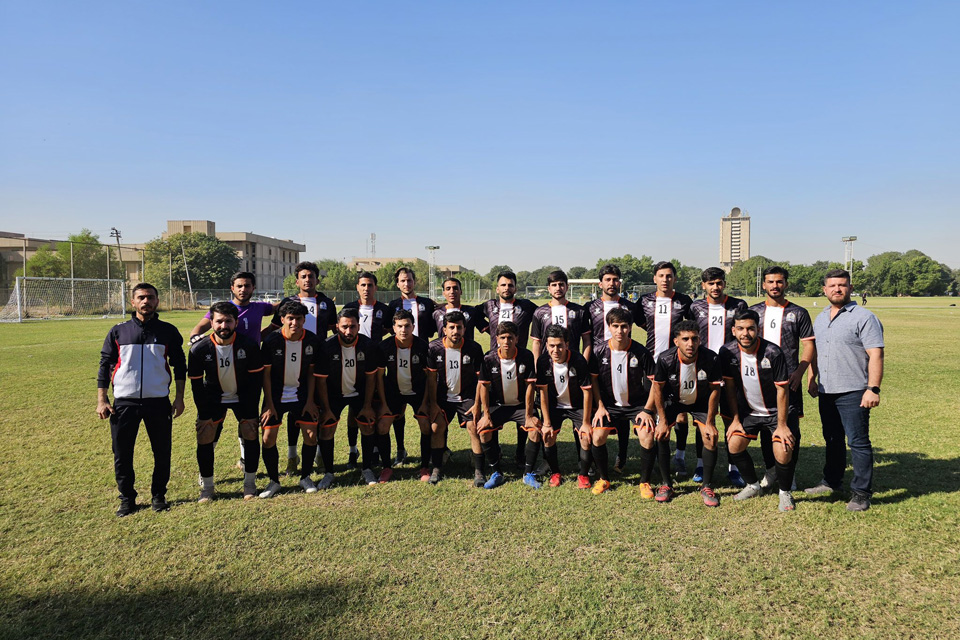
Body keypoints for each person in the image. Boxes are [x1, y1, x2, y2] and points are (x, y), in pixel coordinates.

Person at [96, 283, 186, 517]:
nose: (146, 301)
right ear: (133, 301)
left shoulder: (168, 331)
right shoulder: (119, 331)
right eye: (141, 297)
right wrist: (102, 400)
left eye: (151, 297)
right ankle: (127, 498)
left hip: (158, 402)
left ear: (157, 301)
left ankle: (159, 496)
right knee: (122, 453)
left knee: (162, 451)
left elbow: (180, 365)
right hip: (124, 403)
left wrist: (179, 398)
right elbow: (105, 365)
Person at [806, 269, 884, 511]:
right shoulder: (820, 317)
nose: (837, 289)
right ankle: (831, 481)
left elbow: (876, 354)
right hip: (826, 390)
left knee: (858, 442)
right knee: (832, 439)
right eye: (832, 286)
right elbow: (815, 351)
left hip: (853, 390)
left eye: (842, 285)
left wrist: (873, 388)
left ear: (850, 288)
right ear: (824, 289)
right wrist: (812, 377)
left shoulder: (864, 317)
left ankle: (861, 493)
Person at [188, 271, 277, 473]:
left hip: (248, 370)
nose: (243, 289)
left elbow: (279, 309)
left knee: (247, 421)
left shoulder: (259, 307)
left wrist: (263, 335)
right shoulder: (223, 310)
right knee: (213, 424)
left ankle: (245, 460)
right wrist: (195, 338)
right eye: (239, 286)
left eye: (247, 286)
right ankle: (206, 469)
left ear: (253, 288)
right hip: (221, 370)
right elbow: (199, 328)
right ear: (232, 288)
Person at [719, 309, 799, 512]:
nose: (745, 333)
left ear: (758, 329)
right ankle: (753, 486)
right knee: (734, 444)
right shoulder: (727, 352)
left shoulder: (773, 352)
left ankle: (784, 492)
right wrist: (735, 420)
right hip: (750, 413)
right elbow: (730, 388)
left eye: (750, 328)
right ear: (733, 330)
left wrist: (782, 425)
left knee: (783, 449)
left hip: (775, 413)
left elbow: (782, 390)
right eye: (740, 329)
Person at [188, 302, 264, 502]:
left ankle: (249, 484)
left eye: (228, 321)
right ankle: (207, 488)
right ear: (211, 323)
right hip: (213, 397)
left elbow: (256, 383)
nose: (224, 326)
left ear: (236, 323)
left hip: (243, 396)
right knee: (205, 435)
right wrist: (204, 413)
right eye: (219, 321)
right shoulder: (199, 349)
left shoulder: (249, 346)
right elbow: (196, 385)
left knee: (250, 431)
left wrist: (251, 412)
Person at [267, 261, 337, 478]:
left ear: (317, 279)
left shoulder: (327, 303)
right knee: (292, 413)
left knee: (315, 410)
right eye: (303, 276)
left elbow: (335, 331)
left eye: (311, 276)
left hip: (316, 365)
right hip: (289, 365)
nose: (308, 280)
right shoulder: (288, 302)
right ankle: (292, 456)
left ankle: (319, 455)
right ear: (297, 281)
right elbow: (274, 328)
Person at [749, 266, 816, 491]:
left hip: (789, 380)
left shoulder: (799, 312)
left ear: (786, 284)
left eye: (779, 281)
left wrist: (800, 372)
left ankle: (789, 473)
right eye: (770, 282)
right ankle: (771, 470)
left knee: (791, 428)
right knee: (766, 428)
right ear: (763, 285)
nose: (775, 286)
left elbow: (809, 345)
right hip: (761, 381)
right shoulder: (754, 312)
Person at [647, 320, 723, 506]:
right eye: (685, 339)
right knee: (662, 434)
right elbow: (658, 389)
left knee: (710, 437)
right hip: (673, 401)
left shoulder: (711, 358)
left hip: (700, 401)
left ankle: (706, 486)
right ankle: (666, 484)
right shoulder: (665, 359)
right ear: (676, 341)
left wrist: (710, 422)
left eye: (694, 339)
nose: (691, 344)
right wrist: (662, 421)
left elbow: (715, 390)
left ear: (699, 340)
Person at [690, 266, 748, 486]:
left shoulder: (738, 305)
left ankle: (734, 468)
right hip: (704, 370)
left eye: (719, 282)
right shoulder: (695, 307)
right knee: (704, 419)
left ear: (724, 283)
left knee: (731, 417)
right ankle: (700, 464)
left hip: (731, 369)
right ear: (703, 285)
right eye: (711, 283)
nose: (715, 287)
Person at [588, 307, 656, 495]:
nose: (620, 331)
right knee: (598, 436)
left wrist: (647, 410)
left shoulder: (641, 352)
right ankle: (603, 479)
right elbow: (593, 380)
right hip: (609, 405)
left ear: (630, 327)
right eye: (615, 326)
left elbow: (655, 382)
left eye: (624, 326)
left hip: (637, 406)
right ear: (609, 327)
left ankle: (645, 482)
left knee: (647, 436)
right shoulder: (599, 351)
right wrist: (600, 406)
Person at [637, 261, 695, 478]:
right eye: (661, 276)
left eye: (669, 276)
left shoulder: (684, 301)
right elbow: (640, 321)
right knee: (653, 410)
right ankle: (655, 456)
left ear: (674, 278)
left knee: (680, 413)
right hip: (651, 364)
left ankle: (679, 456)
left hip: (678, 364)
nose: (665, 279)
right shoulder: (645, 301)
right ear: (655, 279)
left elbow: (691, 326)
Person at [258, 301, 321, 497]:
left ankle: (305, 477)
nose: (294, 323)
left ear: (304, 320)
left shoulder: (312, 340)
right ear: (282, 319)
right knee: (268, 438)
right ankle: (274, 481)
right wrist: (269, 404)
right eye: (290, 319)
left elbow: (311, 373)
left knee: (311, 435)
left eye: (299, 319)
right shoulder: (272, 340)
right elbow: (266, 375)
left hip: (301, 395)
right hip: (276, 396)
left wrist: (310, 401)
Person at [479, 270, 539, 471]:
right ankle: (495, 451)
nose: (507, 288)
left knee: (522, 402)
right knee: (495, 403)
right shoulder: (489, 305)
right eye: (503, 285)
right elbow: (472, 314)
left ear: (516, 288)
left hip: (520, 363)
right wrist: (484, 327)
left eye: (510, 285)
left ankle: (521, 453)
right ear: (497, 288)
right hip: (495, 364)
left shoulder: (526, 306)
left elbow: (542, 314)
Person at [314, 307, 379, 487]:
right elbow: (321, 381)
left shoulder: (367, 345)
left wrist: (367, 406)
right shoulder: (326, 347)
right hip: (334, 394)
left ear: (358, 326)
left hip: (359, 393)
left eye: (352, 326)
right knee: (326, 430)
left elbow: (371, 378)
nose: (348, 331)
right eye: (344, 327)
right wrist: (326, 409)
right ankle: (329, 473)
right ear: (337, 327)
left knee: (367, 426)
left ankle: (367, 468)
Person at [476, 321, 539, 489]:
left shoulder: (526, 356)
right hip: (498, 405)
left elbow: (530, 386)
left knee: (535, 430)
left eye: (510, 337)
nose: (506, 341)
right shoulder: (489, 358)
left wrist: (529, 415)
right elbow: (483, 387)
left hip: (520, 406)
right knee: (484, 432)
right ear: (497, 339)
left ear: (517, 339)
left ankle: (528, 474)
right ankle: (496, 473)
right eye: (503, 337)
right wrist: (486, 415)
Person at [426, 311, 486, 486]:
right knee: (436, 427)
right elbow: (431, 379)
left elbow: (480, 381)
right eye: (451, 327)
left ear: (464, 329)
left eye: (459, 327)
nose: (455, 331)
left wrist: (477, 404)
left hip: (467, 397)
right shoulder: (434, 348)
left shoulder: (474, 348)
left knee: (474, 427)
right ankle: (437, 468)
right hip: (443, 398)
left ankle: (479, 471)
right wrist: (433, 404)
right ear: (444, 329)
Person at [373, 310, 433, 483]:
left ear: (413, 327)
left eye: (407, 326)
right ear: (393, 328)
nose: (403, 330)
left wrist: (424, 403)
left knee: (426, 425)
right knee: (383, 426)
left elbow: (429, 377)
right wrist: (383, 403)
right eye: (399, 326)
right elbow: (379, 377)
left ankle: (424, 466)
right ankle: (386, 467)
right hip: (394, 392)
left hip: (418, 392)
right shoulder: (384, 347)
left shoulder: (422, 346)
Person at [342, 272, 394, 469]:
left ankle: (374, 450)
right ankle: (353, 449)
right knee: (353, 408)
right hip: (352, 364)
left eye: (370, 285)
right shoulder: (349, 308)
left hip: (375, 363)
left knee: (374, 405)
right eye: (363, 285)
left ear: (375, 287)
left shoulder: (383, 309)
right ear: (357, 287)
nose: (366, 288)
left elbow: (389, 329)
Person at [387, 267, 437, 466]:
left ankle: (436, 449)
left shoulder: (426, 303)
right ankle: (400, 449)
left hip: (421, 360)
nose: (406, 284)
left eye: (409, 280)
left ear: (414, 282)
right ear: (397, 284)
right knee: (397, 411)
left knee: (426, 409)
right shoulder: (393, 305)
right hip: (399, 360)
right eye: (402, 280)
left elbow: (434, 328)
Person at [536, 325, 593, 488]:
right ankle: (555, 473)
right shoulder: (543, 362)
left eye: (560, 345)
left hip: (576, 406)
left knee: (585, 436)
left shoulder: (578, 360)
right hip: (554, 406)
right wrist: (547, 422)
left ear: (567, 344)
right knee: (547, 436)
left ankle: (583, 475)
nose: (555, 350)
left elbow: (587, 392)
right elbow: (543, 393)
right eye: (552, 346)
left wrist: (586, 422)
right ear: (546, 345)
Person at [530, 269, 591, 361]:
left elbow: (586, 340)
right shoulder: (539, 312)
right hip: (548, 365)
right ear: (549, 289)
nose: (558, 288)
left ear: (567, 287)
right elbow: (536, 343)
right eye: (554, 285)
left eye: (561, 284)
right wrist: (537, 366)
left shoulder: (579, 311)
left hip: (573, 364)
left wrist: (583, 363)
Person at [584, 264, 636, 362]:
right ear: (600, 284)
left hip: (624, 358)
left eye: (615, 280)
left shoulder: (630, 307)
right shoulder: (589, 307)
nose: (611, 283)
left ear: (619, 283)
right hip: (597, 360)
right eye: (607, 280)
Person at [432, 277, 486, 343]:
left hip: (467, 349)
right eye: (448, 289)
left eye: (455, 288)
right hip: (444, 349)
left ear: (461, 291)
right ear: (444, 293)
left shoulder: (471, 311)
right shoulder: (437, 313)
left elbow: (491, 330)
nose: (452, 291)